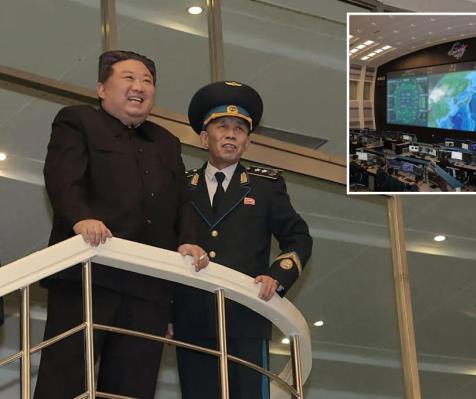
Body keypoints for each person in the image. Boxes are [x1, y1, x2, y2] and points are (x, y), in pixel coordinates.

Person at [36, 50, 208, 399]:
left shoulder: (166, 142)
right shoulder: (77, 120)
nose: (139, 86)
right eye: (128, 77)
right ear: (101, 88)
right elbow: (61, 176)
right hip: (87, 275)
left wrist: (188, 241)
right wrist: (80, 218)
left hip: (148, 288)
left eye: (147, 81)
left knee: (133, 388)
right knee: (65, 380)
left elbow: (182, 202)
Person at [173, 81, 313, 399]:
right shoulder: (180, 185)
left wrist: (278, 276)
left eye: (240, 129)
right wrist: (167, 310)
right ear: (204, 136)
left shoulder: (265, 186)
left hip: (246, 316)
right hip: (191, 316)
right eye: (222, 126)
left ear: (248, 142)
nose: (232, 134)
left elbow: (298, 237)